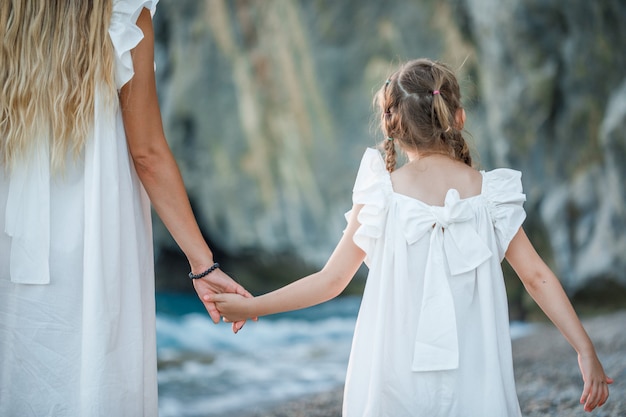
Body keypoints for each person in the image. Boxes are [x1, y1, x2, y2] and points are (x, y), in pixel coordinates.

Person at [209, 58, 613, 416]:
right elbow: (536, 278)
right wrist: (584, 349)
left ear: (392, 124)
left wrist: (254, 306)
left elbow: (330, 282)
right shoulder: (491, 197)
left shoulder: (381, 196)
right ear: (458, 117)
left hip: (392, 380)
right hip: (475, 378)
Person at [0, 1, 250, 416]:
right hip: (94, 244)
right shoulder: (123, 15)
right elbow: (147, 153)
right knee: (93, 380)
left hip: (10, 236)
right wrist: (203, 265)